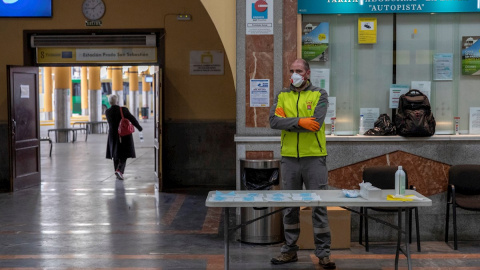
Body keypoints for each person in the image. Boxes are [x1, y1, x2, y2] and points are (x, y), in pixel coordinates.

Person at [269, 59, 335, 269]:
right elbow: (273, 121)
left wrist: (289, 122)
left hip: (314, 157)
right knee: (290, 207)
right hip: (289, 158)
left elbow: (316, 123)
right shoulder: (282, 95)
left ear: (307, 73)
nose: (294, 74)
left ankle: (323, 254)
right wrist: (299, 122)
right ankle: (289, 251)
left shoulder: (320, 94)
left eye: (298, 70)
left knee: (318, 206)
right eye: (292, 71)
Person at [105, 94, 143, 180]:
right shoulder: (123, 110)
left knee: (115, 154)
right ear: (117, 101)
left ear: (109, 102)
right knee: (124, 153)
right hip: (124, 134)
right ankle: (119, 170)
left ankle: (117, 171)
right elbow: (132, 119)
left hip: (112, 135)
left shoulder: (107, 112)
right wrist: (139, 128)